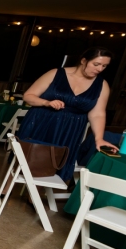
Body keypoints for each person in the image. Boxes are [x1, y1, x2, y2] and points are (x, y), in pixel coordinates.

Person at [18, 47, 117, 181]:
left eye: (104, 66)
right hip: (42, 121)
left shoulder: (102, 85)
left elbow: (97, 114)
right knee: (26, 156)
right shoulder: (55, 73)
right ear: (84, 61)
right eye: (96, 64)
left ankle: (36, 195)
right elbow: (28, 96)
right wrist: (46, 102)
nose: (100, 69)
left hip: (70, 129)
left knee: (55, 162)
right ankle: (7, 189)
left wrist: (99, 138)